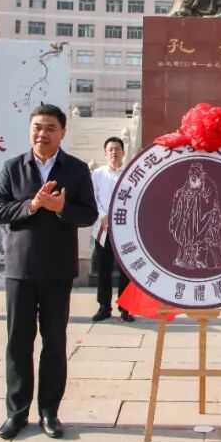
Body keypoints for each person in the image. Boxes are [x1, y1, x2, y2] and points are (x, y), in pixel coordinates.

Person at [0, 104, 97, 440]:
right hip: (20, 268)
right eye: (37, 127)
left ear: (63, 132)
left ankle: (49, 412)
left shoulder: (76, 169)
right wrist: (32, 205)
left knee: (54, 342)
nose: (42, 134)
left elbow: (89, 214)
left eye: (50, 128)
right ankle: (16, 413)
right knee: (18, 342)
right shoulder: (13, 167)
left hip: (57, 269)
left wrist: (62, 207)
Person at [91, 136, 133, 323]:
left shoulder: (131, 173)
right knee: (103, 268)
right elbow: (93, 198)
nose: (114, 152)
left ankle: (126, 307)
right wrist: (103, 215)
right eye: (110, 149)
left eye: (117, 149)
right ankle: (104, 307)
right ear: (105, 153)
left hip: (125, 229)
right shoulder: (98, 174)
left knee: (126, 270)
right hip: (103, 228)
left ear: (123, 152)